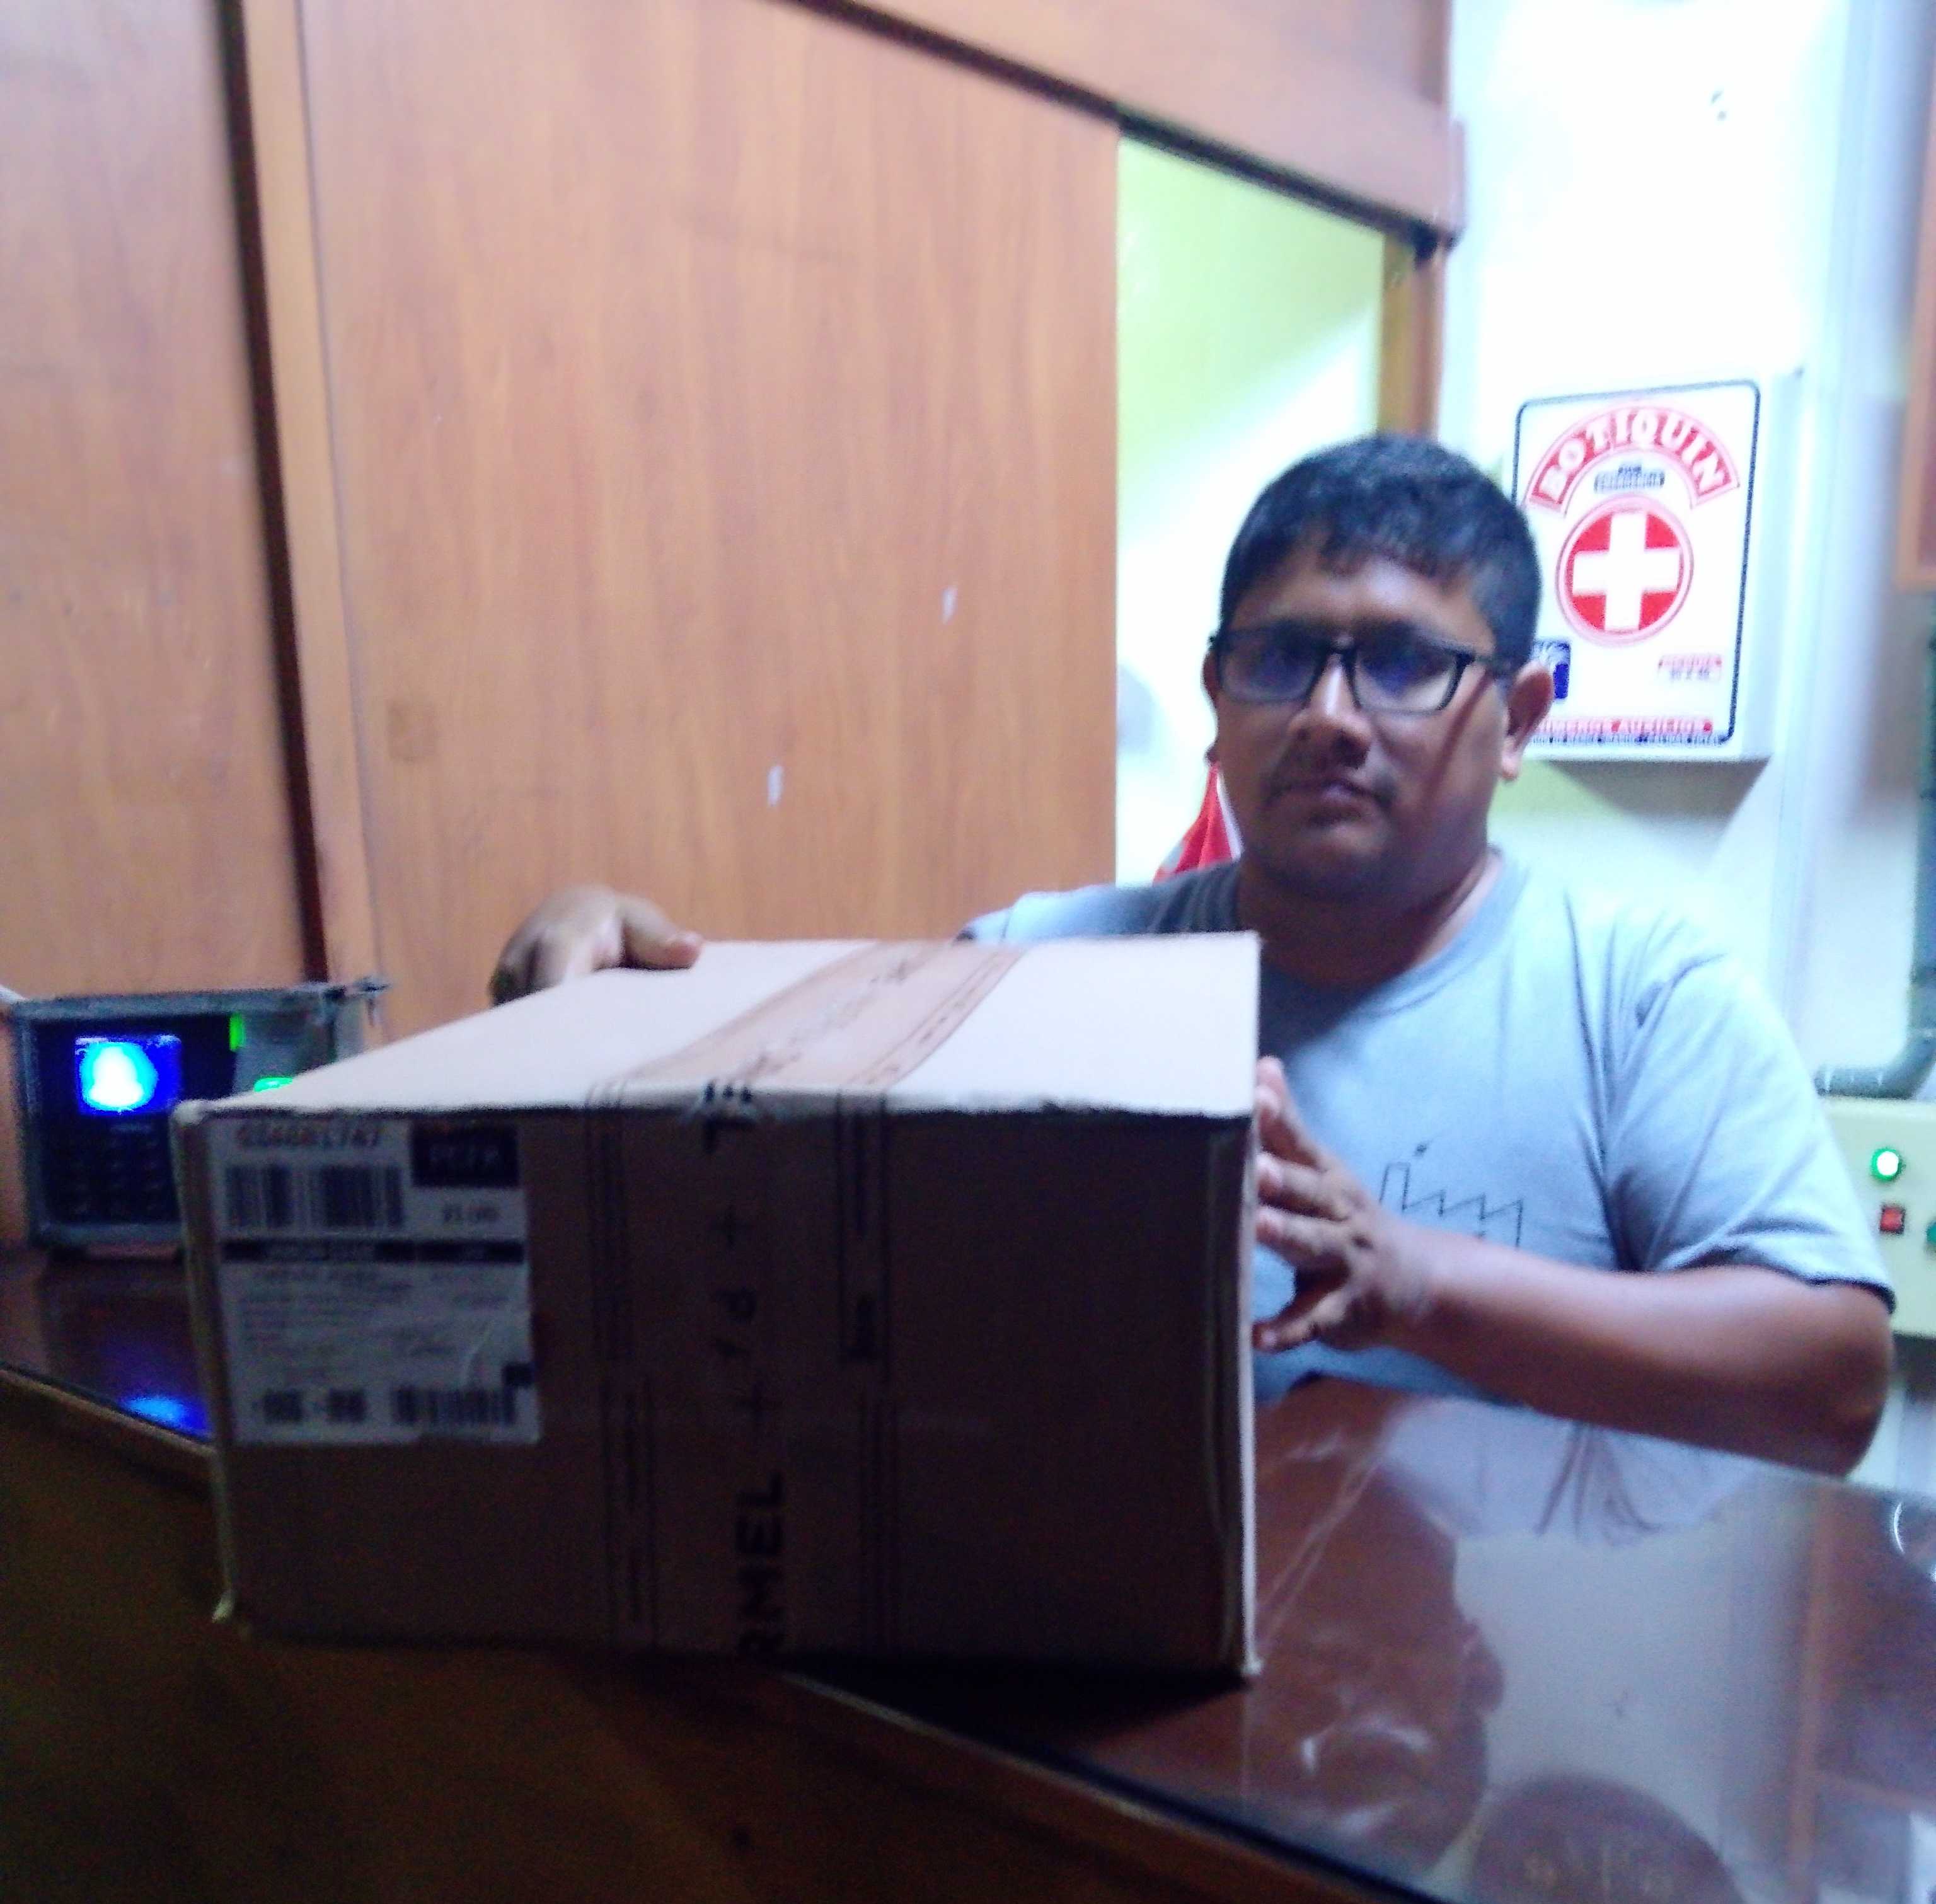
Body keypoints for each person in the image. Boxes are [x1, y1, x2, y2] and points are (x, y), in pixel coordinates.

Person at [491, 434, 1893, 1475]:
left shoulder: (1638, 997)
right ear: (1219, 694)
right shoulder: (1050, 965)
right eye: (1281, 659)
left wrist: (1422, 1286)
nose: (1330, 714)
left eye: (1404, 664)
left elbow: (1831, 1387)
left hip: (1495, 1719)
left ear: (1518, 717)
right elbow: (775, 1163)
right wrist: (603, 996)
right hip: (1116, 1702)